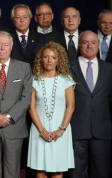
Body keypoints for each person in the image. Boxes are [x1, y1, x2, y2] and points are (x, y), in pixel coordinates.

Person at [0, 31, 32, 178]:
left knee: (12, 171)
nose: (2, 48)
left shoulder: (24, 68)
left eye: (6, 44)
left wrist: (8, 116)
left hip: (14, 127)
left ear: (11, 47)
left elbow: (26, 97)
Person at [28, 41, 75, 177]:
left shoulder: (66, 80)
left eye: (54, 57)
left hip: (60, 130)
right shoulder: (34, 80)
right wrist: (42, 131)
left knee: (57, 171)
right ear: (40, 59)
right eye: (46, 56)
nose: (49, 61)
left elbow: (70, 107)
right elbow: (31, 107)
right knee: (40, 171)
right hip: (39, 128)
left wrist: (61, 129)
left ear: (59, 60)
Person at [69, 31, 112, 178]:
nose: (89, 46)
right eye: (85, 42)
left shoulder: (109, 69)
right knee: (76, 173)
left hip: (102, 130)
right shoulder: (68, 68)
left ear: (98, 45)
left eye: (93, 42)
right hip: (76, 129)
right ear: (79, 45)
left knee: (101, 173)